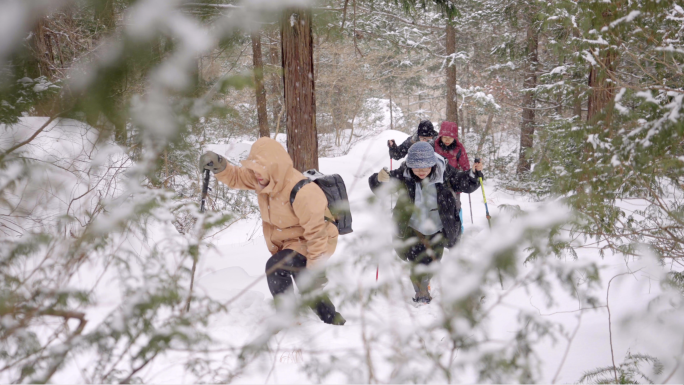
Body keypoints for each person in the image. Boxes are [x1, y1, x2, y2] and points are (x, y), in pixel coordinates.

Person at [199, 138, 345, 325]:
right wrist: (219, 165)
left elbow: (317, 234)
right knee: (303, 281)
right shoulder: (262, 179)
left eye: (260, 170)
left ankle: (287, 318)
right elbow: (236, 177)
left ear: (274, 167)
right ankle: (332, 320)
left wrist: (315, 269)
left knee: (278, 268)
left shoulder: (303, 191)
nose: (256, 175)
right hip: (291, 242)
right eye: (254, 169)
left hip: (316, 240)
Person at [368, 141, 484, 303]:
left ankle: (423, 286)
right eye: (416, 168)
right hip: (411, 226)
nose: (421, 172)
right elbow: (381, 187)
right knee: (413, 259)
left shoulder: (445, 171)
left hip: (437, 227)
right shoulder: (404, 174)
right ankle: (422, 287)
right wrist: (379, 179)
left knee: (432, 260)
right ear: (410, 166)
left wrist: (473, 173)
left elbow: (463, 182)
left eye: (425, 167)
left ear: (432, 164)